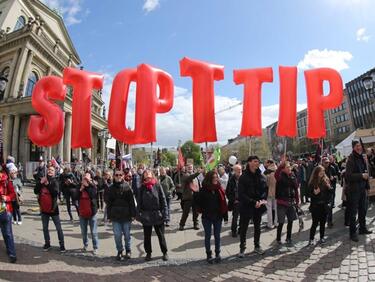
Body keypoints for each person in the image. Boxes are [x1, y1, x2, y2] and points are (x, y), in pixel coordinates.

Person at [238, 156, 268, 257]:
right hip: (246, 206)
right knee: (244, 227)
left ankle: (257, 246)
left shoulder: (261, 176)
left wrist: (261, 201)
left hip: (258, 206)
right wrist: (253, 202)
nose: (257, 163)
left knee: (257, 227)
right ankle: (242, 248)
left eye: (258, 161)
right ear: (249, 162)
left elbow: (265, 190)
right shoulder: (243, 177)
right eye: (255, 161)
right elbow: (241, 194)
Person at [196, 170, 228, 263]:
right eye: (214, 178)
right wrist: (196, 193)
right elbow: (198, 202)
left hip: (218, 216)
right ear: (209, 179)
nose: (215, 179)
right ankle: (209, 254)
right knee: (208, 236)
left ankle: (218, 254)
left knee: (217, 236)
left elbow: (223, 203)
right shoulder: (203, 189)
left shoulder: (219, 188)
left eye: (216, 177)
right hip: (207, 217)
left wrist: (225, 217)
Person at [137, 169, 168, 261]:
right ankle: (148, 253)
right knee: (147, 236)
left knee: (161, 235)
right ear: (144, 176)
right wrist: (138, 215)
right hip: (146, 215)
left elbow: (163, 200)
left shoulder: (157, 185)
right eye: (145, 173)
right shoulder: (141, 188)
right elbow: (139, 202)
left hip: (157, 214)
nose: (147, 174)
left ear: (152, 175)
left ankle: (164, 252)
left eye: (148, 172)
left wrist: (165, 214)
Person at [34, 166, 65, 252]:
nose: (50, 171)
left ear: (54, 172)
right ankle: (47, 243)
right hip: (44, 208)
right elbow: (35, 191)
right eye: (49, 170)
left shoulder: (56, 181)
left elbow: (55, 193)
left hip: (53, 209)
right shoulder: (43, 179)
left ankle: (62, 244)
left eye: (52, 170)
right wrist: (40, 183)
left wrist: (47, 184)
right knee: (45, 228)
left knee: (58, 228)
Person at [346, 140, 372, 242]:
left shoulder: (362, 157)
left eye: (360, 146)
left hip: (362, 189)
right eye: (357, 146)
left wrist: (368, 187)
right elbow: (348, 176)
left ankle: (362, 228)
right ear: (353, 147)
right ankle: (352, 233)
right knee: (353, 213)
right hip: (354, 190)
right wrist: (361, 176)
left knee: (363, 210)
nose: (359, 147)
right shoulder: (351, 159)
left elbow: (366, 172)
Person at [107, 169, 136, 261]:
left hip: (126, 215)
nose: (118, 176)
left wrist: (133, 214)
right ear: (114, 176)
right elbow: (109, 203)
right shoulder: (111, 188)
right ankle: (119, 250)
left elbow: (131, 202)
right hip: (115, 216)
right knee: (117, 235)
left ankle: (128, 250)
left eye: (120, 175)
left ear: (123, 176)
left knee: (127, 235)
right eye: (116, 175)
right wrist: (109, 216)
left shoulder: (127, 187)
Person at [275, 161, 299, 246]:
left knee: (290, 221)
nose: (289, 168)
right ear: (283, 168)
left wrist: (297, 200)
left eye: (290, 167)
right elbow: (276, 174)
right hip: (282, 202)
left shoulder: (293, 175)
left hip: (291, 202)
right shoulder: (280, 176)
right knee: (281, 222)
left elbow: (296, 188)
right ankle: (278, 239)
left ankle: (288, 237)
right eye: (287, 167)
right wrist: (280, 166)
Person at [308, 165, 331, 245]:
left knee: (323, 223)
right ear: (317, 172)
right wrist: (314, 193)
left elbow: (330, 193)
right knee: (315, 223)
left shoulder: (326, 180)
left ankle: (322, 237)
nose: (322, 173)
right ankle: (311, 238)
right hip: (315, 206)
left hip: (324, 205)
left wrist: (329, 188)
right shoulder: (312, 182)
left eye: (323, 171)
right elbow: (309, 194)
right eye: (321, 171)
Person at [78, 172, 99, 255]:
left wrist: (88, 186)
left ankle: (95, 247)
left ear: (90, 179)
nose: (85, 179)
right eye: (84, 178)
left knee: (93, 232)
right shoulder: (80, 186)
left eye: (87, 178)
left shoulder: (93, 186)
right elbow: (75, 196)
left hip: (92, 212)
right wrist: (80, 189)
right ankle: (85, 245)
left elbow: (93, 195)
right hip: (82, 212)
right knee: (84, 231)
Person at [0, 169, 17, 263]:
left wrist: (6, 198)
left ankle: (12, 253)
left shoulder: (6, 182)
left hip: (5, 211)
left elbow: (13, 195)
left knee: (7, 233)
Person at [179, 164, 200, 231]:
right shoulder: (185, 175)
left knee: (195, 212)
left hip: (195, 196)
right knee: (185, 212)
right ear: (186, 168)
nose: (190, 168)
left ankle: (195, 224)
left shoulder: (196, 176)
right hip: (188, 197)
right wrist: (198, 173)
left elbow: (198, 185)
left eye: (191, 167)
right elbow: (190, 178)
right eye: (189, 167)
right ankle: (182, 225)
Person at [226, 164, 242, 237]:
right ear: (234, 171)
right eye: (238, 171)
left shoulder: (243, 178)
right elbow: (228, 192)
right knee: (235, 217)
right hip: (235, 202)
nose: (240, 172)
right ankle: (234, 231)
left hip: (243, 201)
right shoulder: (231, 180)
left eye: (240, 170)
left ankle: (240, 229)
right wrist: (233, 200)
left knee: (243, 217)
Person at [264, 160, 277, 229]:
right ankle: (276, 223)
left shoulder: (267, 171)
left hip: (269, 191)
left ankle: (270, 224)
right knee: (275, 208)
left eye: (266, 163)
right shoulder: (277, 170)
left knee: (269, 209)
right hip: (277, 191)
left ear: (269, 163)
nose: (265, 164)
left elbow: (265, 182)